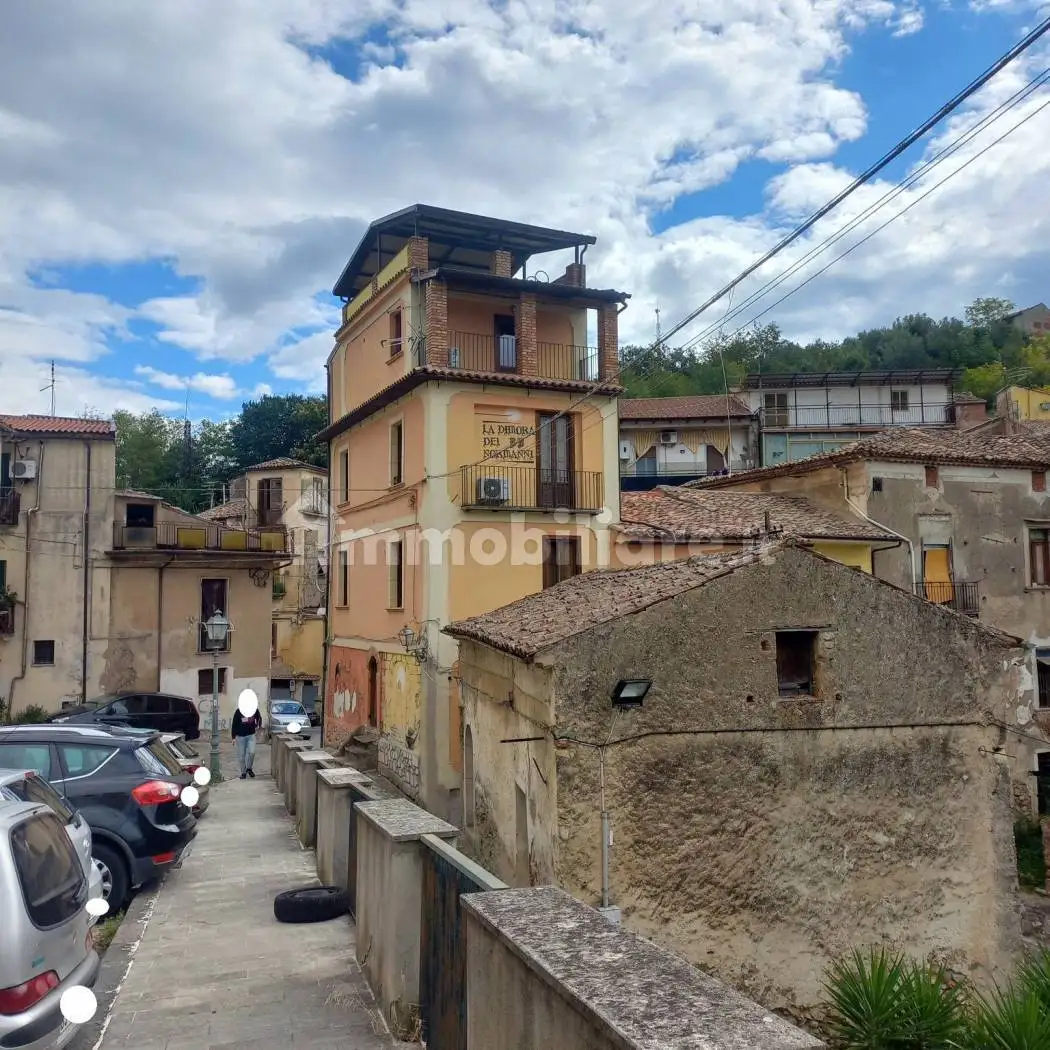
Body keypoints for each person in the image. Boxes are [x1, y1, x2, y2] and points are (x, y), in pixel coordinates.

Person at [231, 706, 261, 779]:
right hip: (240, 736)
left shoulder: (254, 709)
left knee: (252, 752)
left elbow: (259, 718)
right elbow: (234, 724)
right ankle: (243, 772)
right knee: (241, 756)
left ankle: (249, 768)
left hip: (251, 735)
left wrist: (257, 725)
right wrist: (233, 737)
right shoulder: (238, 711)